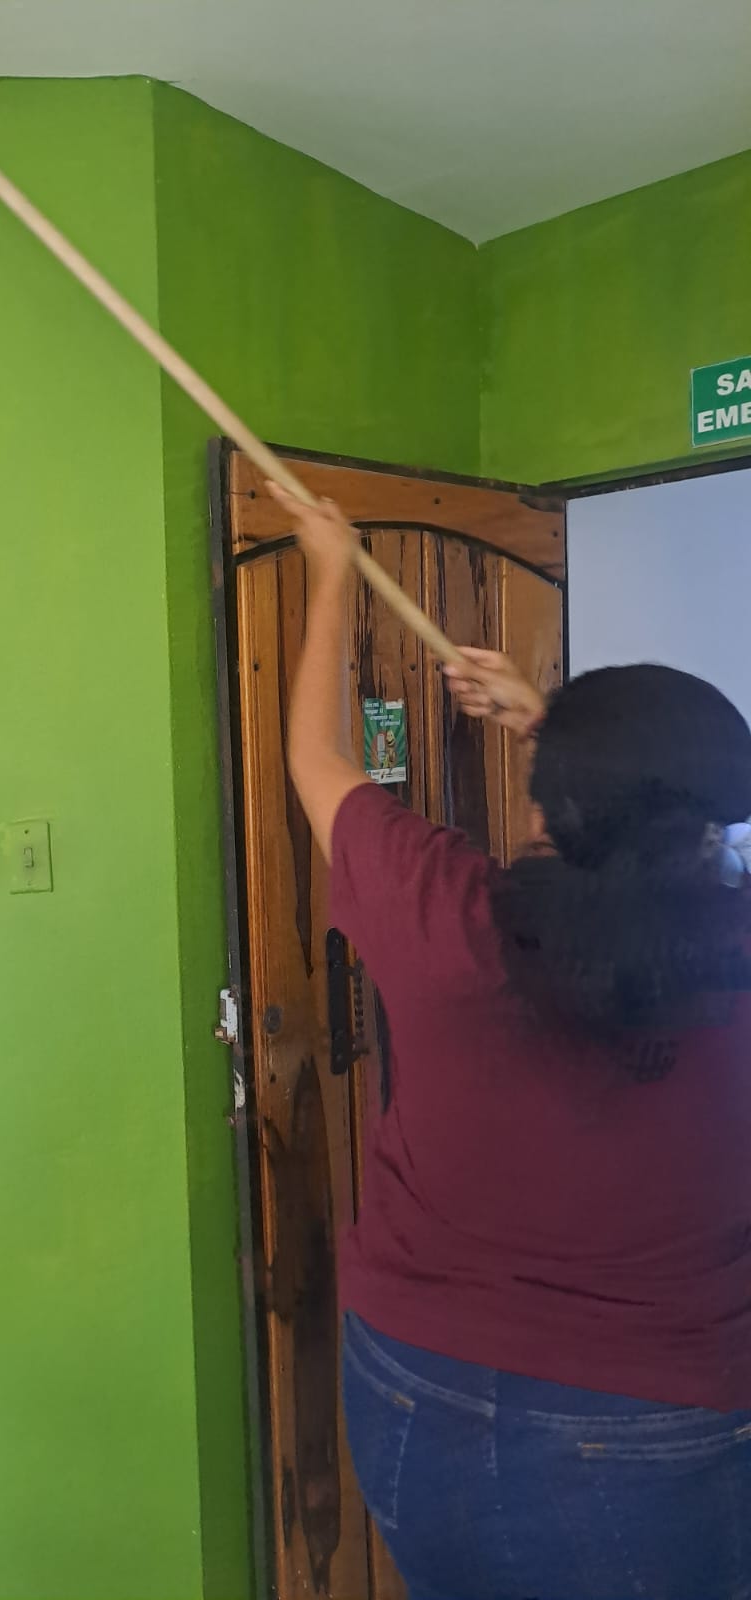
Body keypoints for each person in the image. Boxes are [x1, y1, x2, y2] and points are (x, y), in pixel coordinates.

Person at [269, 481, 751, 1600]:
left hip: (413, 1387)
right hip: (658, 1423)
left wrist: (332, 571)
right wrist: (555, 732)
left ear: (546, 804)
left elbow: (314, 759)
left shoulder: (447, 914)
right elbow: (650, 823)